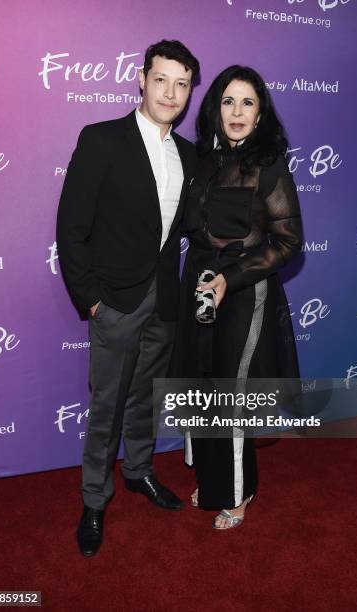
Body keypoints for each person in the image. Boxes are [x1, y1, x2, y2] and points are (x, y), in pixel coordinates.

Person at [56, 40, 199, 556]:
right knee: (107, 406)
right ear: (141, 79)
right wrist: (92, 299)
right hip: (115, 300)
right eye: (161, 79)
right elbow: (71, 228)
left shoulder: (189, 154)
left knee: (145, 400)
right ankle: (95, 498)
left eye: (182, 84)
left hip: (165, 301)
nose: (170, 92)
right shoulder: (102, 140)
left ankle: (139, 471)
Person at [171, 65, 302, 529]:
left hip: (245, 290)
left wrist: (233, 277)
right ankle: (213, 475)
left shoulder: (269, 165)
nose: (237, 111)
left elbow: (288, 242)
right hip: (200, 285)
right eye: (228, 101)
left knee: (231, 388)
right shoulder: (204, 162)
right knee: (202, 380)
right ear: (215, 107)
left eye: (248, 102)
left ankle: (238, 491)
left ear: (261, 111)